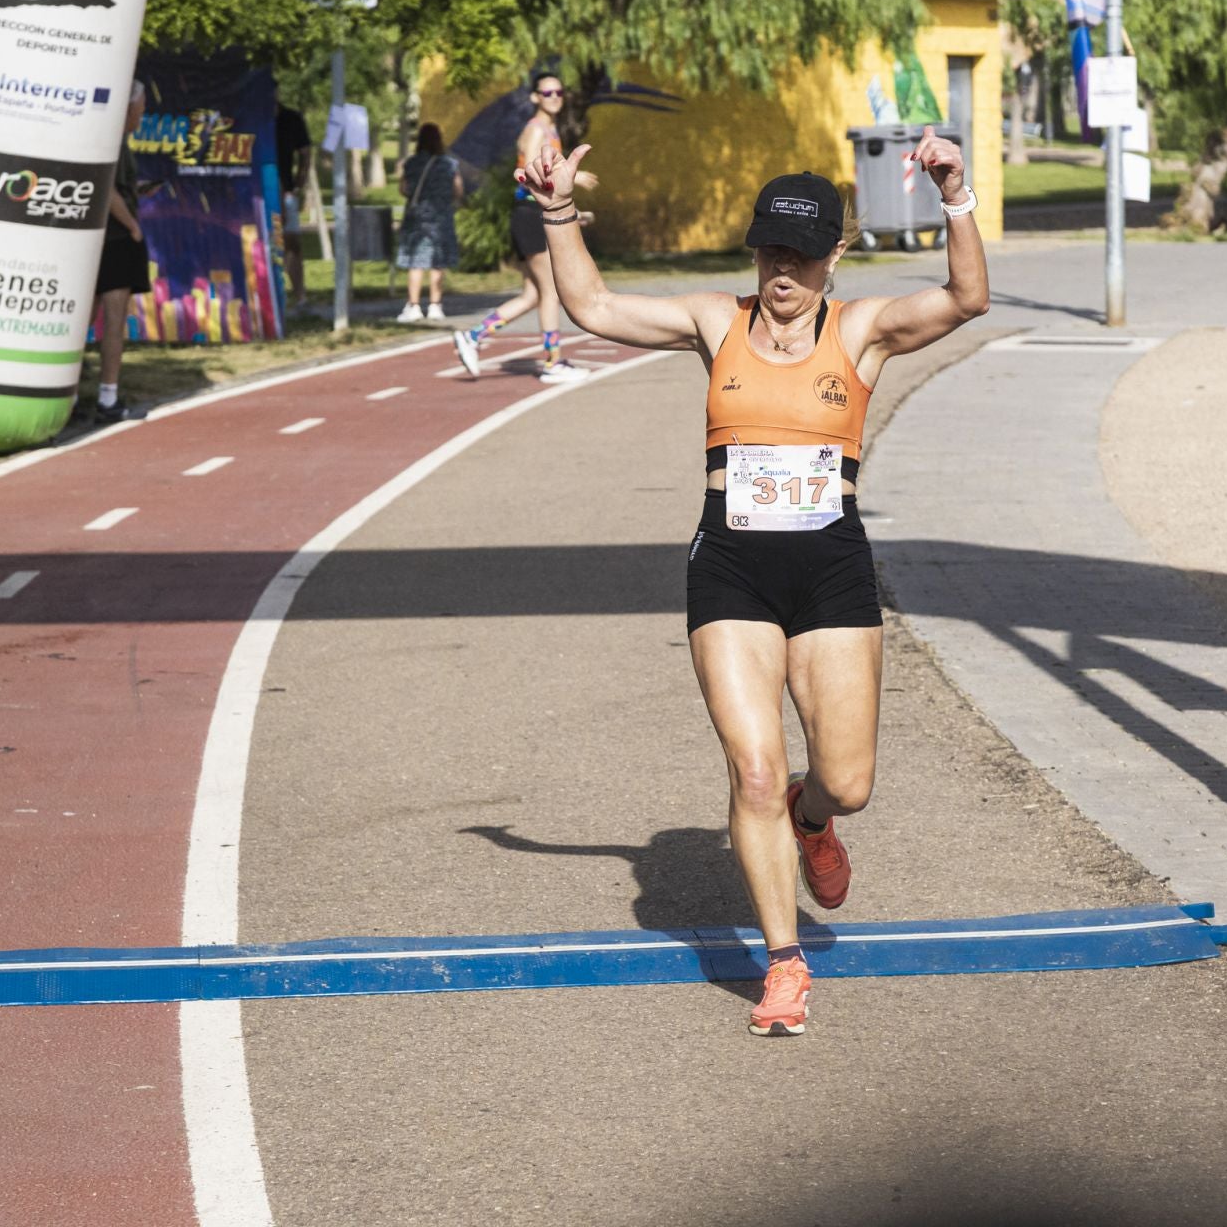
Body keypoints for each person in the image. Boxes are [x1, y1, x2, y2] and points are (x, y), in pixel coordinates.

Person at [517, 127, 989, 1036]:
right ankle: (784, 964)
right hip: (730, 565)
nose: (783, 268)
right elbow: (594, 306)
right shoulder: (713, 320)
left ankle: (819, 825)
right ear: (756, 246)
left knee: (843, 783)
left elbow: (968, 298)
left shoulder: (862, 331)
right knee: (757, 769)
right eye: (772, 248)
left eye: (803, 253)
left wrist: (954, 194)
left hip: (831, 569)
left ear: (834, 256)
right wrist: (559, 211)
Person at [452, 70, 597, 385]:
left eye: (559, 92)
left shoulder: (550, 129)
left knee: (533, 294)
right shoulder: (535, 131)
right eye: (547, 93)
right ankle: (552, 362)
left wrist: (574, 211)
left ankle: (472, 335)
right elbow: (528, 175)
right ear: (535, 98)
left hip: (532, 214)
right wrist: (574, 179)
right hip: (530, 216)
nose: (555, 97)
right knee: (551, 292)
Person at [90, 81, 151, 423]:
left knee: (87, 319)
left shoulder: (113, 140)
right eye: (140, 111)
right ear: (127, 110)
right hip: (115, 240)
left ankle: (68, 396)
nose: (141, 118)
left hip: (101, 239)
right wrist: (132, 225)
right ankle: (107, 397)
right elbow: (107, 189)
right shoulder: (113, 139)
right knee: (114, 322)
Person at [394, 123, 463, 323]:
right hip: (441, 218)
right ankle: (435, 305)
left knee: (416, 263)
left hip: (416, 219)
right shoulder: (449, 164)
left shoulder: (411, 163)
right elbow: (458, 190)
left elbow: (405, 189)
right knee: (437, 263)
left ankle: (413, 305)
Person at [275, 95, 314, 310]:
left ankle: (300, 296)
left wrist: (300, 182)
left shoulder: (291, 119)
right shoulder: (253, 115)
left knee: (292, 243)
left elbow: (306, 153)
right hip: (259, 191)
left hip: (286, 190)